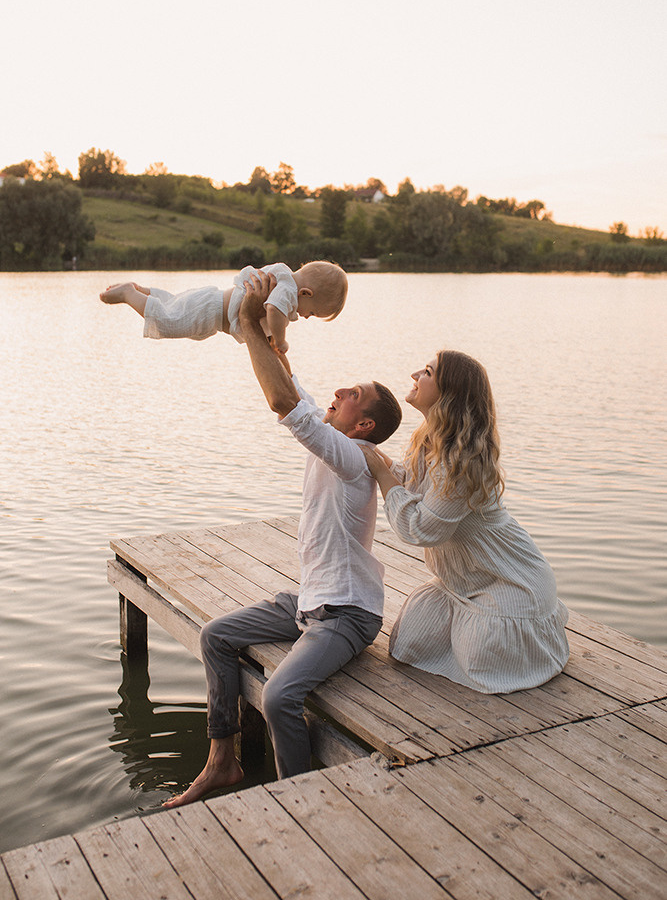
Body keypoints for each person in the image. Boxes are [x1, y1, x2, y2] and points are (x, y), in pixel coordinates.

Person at [164, 271, 402, 808]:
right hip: (309, 603)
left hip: (347, 615)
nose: (338, 392)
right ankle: (223, 762)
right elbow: (292, 388)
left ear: (363, 425)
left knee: (279, 696)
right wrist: (263, 323)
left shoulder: (352, 461)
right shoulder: (336, 439)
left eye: (352, 395)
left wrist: (250, 326)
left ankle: (297, 803)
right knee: (215, 636)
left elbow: (282, 402)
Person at [363, 350, 569, 695]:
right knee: (407, 643)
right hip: (463, 581)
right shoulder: (431, 442)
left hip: (511, 582)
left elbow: (421, 529)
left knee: (483, 659)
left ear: (449, 394)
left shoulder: (462, 459)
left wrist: (382, 474)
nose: (415, 373)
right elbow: (417, 492)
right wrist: (380, 461)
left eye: (427, 371)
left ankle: (521, 643)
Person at [99, 259, 347, 353]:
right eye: (312, 312)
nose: (305, 317)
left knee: (175, 307)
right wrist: (280, 341)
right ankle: (129, 294)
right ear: (306, 293)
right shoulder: (286, 289)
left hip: (212, 305)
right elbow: (274, 310)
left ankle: (147, 292)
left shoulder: (283, 281)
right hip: (211, 309)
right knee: (167, 322)